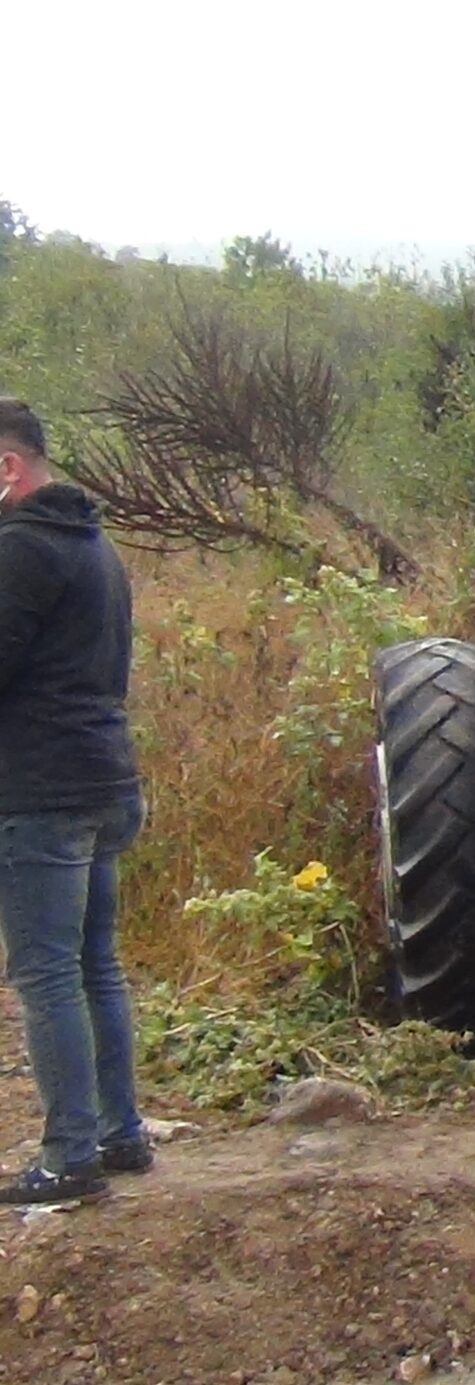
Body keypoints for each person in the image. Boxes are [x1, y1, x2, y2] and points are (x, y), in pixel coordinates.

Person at [0, 398, 151, 1205]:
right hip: (103, 777)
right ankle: (119, 1131)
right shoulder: (94, 546)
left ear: (7, 468)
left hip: (44, 791)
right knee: (94, 964)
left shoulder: (22, 551)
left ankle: (68, 1156)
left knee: (47, 973)